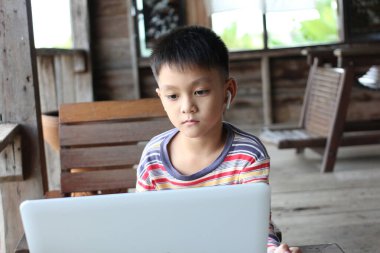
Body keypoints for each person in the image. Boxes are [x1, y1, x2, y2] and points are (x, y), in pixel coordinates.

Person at [136, 25, 301, 253]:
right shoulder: (153, 157)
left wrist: (272, 250)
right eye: (172, 96)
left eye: (200, 91)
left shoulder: (248, 155)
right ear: (161, 97)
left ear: (227, 91)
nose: (187, 107)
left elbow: (255, 225)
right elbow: (143, 226)